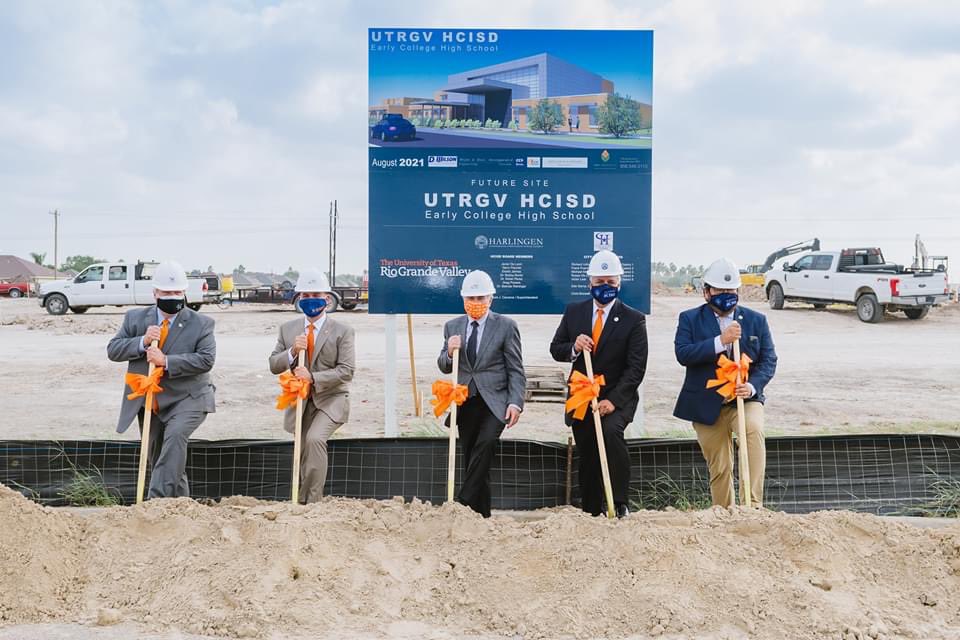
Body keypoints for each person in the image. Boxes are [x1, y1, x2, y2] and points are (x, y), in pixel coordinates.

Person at [550, 250, 648, 517]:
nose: (605, 287)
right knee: (587, 448)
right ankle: (591, 508)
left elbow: (636, 367)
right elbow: (556, 348)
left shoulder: (633, 319)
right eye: (600, 282)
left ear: (619, 283)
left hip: (617, 397)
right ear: (589, 283)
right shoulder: (574, 312)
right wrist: (574, 347)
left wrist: (613, 400)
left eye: (611, 282)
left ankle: (618, 502)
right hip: (582, 395)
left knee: (609, 434)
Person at [673, 258, 778, 507]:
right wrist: (720, 341)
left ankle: (752, 506)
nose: (726, 295)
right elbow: (683, 354)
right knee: (720, 465)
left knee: (753, 430)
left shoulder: (756, 320)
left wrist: (752, 386)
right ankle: (723, 512)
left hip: (745, 398)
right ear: (707, 292)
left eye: (731, 290)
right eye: (720, 290)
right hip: (706, 403)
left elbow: (769, 360)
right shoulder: (689, 319)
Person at [107, 260, 216, 498]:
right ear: (155, 292)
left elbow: (206, 360)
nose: (173, 296)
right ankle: (181, 508)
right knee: (162, 456)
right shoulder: (135, 318)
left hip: (190, 398)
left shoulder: (202, 323)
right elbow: (113, 350)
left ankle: (156, 503)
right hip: (152, 401)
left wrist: (166, 361)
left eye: (177, 292)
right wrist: (142, 342)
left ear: (185, 292)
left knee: (176, 437)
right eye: (167, 292)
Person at [438, 270, 525, 518]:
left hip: (495, 401)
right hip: (465, 400)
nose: (475, 303)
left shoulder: (506, 326)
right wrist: (451, 352)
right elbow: (444, 365)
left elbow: (516, 368)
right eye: (471, 298)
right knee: (472, 455)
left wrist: (515, 402)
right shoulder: (452, 326)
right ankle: (480, 516)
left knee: (485, 444)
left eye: (480, 298)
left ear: (491, 299)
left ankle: (463, 502)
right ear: (463, 299)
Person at [269, 268, 355, 504]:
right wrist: (292, 352)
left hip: (332, 399)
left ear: (327, 298)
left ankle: (312, 502)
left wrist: (313, 378)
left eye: (315, 294)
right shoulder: (287, 330)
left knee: (316, 439)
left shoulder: (343, 332)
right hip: (301, 401)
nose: (310, 300)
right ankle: (300, 500)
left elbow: (347, 371)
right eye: (305, 296)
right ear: (298, 299)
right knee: (304, 450)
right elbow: (274, 364)